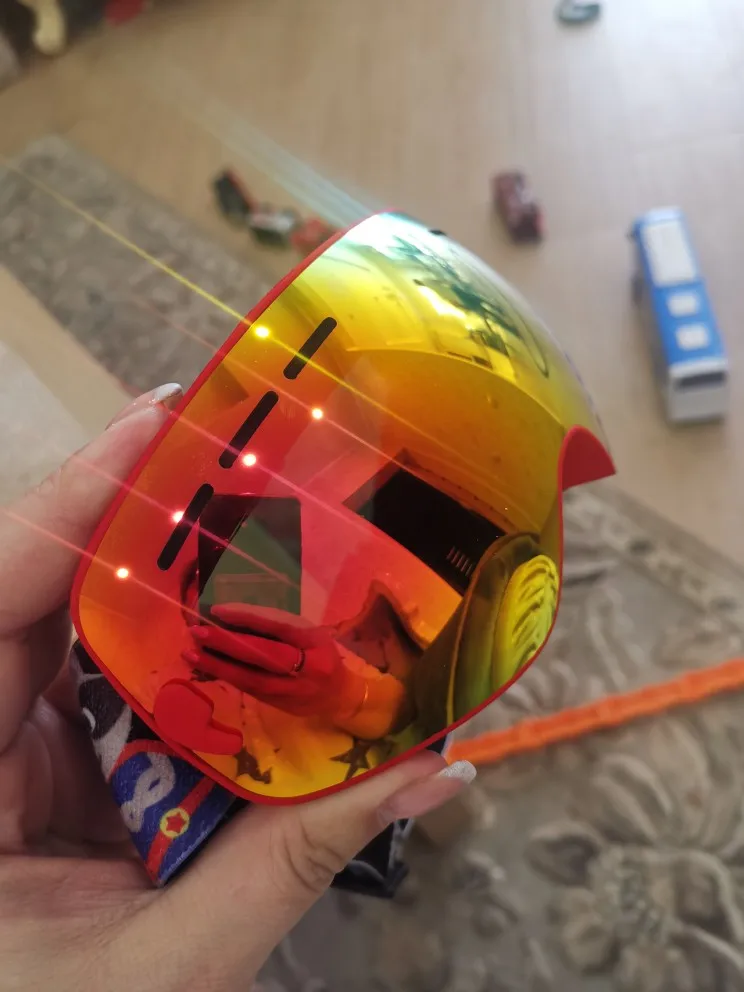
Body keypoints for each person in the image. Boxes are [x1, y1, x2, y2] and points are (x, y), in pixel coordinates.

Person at [0, 384, 475, 991]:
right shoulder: (247, 569)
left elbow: (409, 707)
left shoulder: (326, 592)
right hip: (187, 748)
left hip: (295, 755)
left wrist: (350, 695)